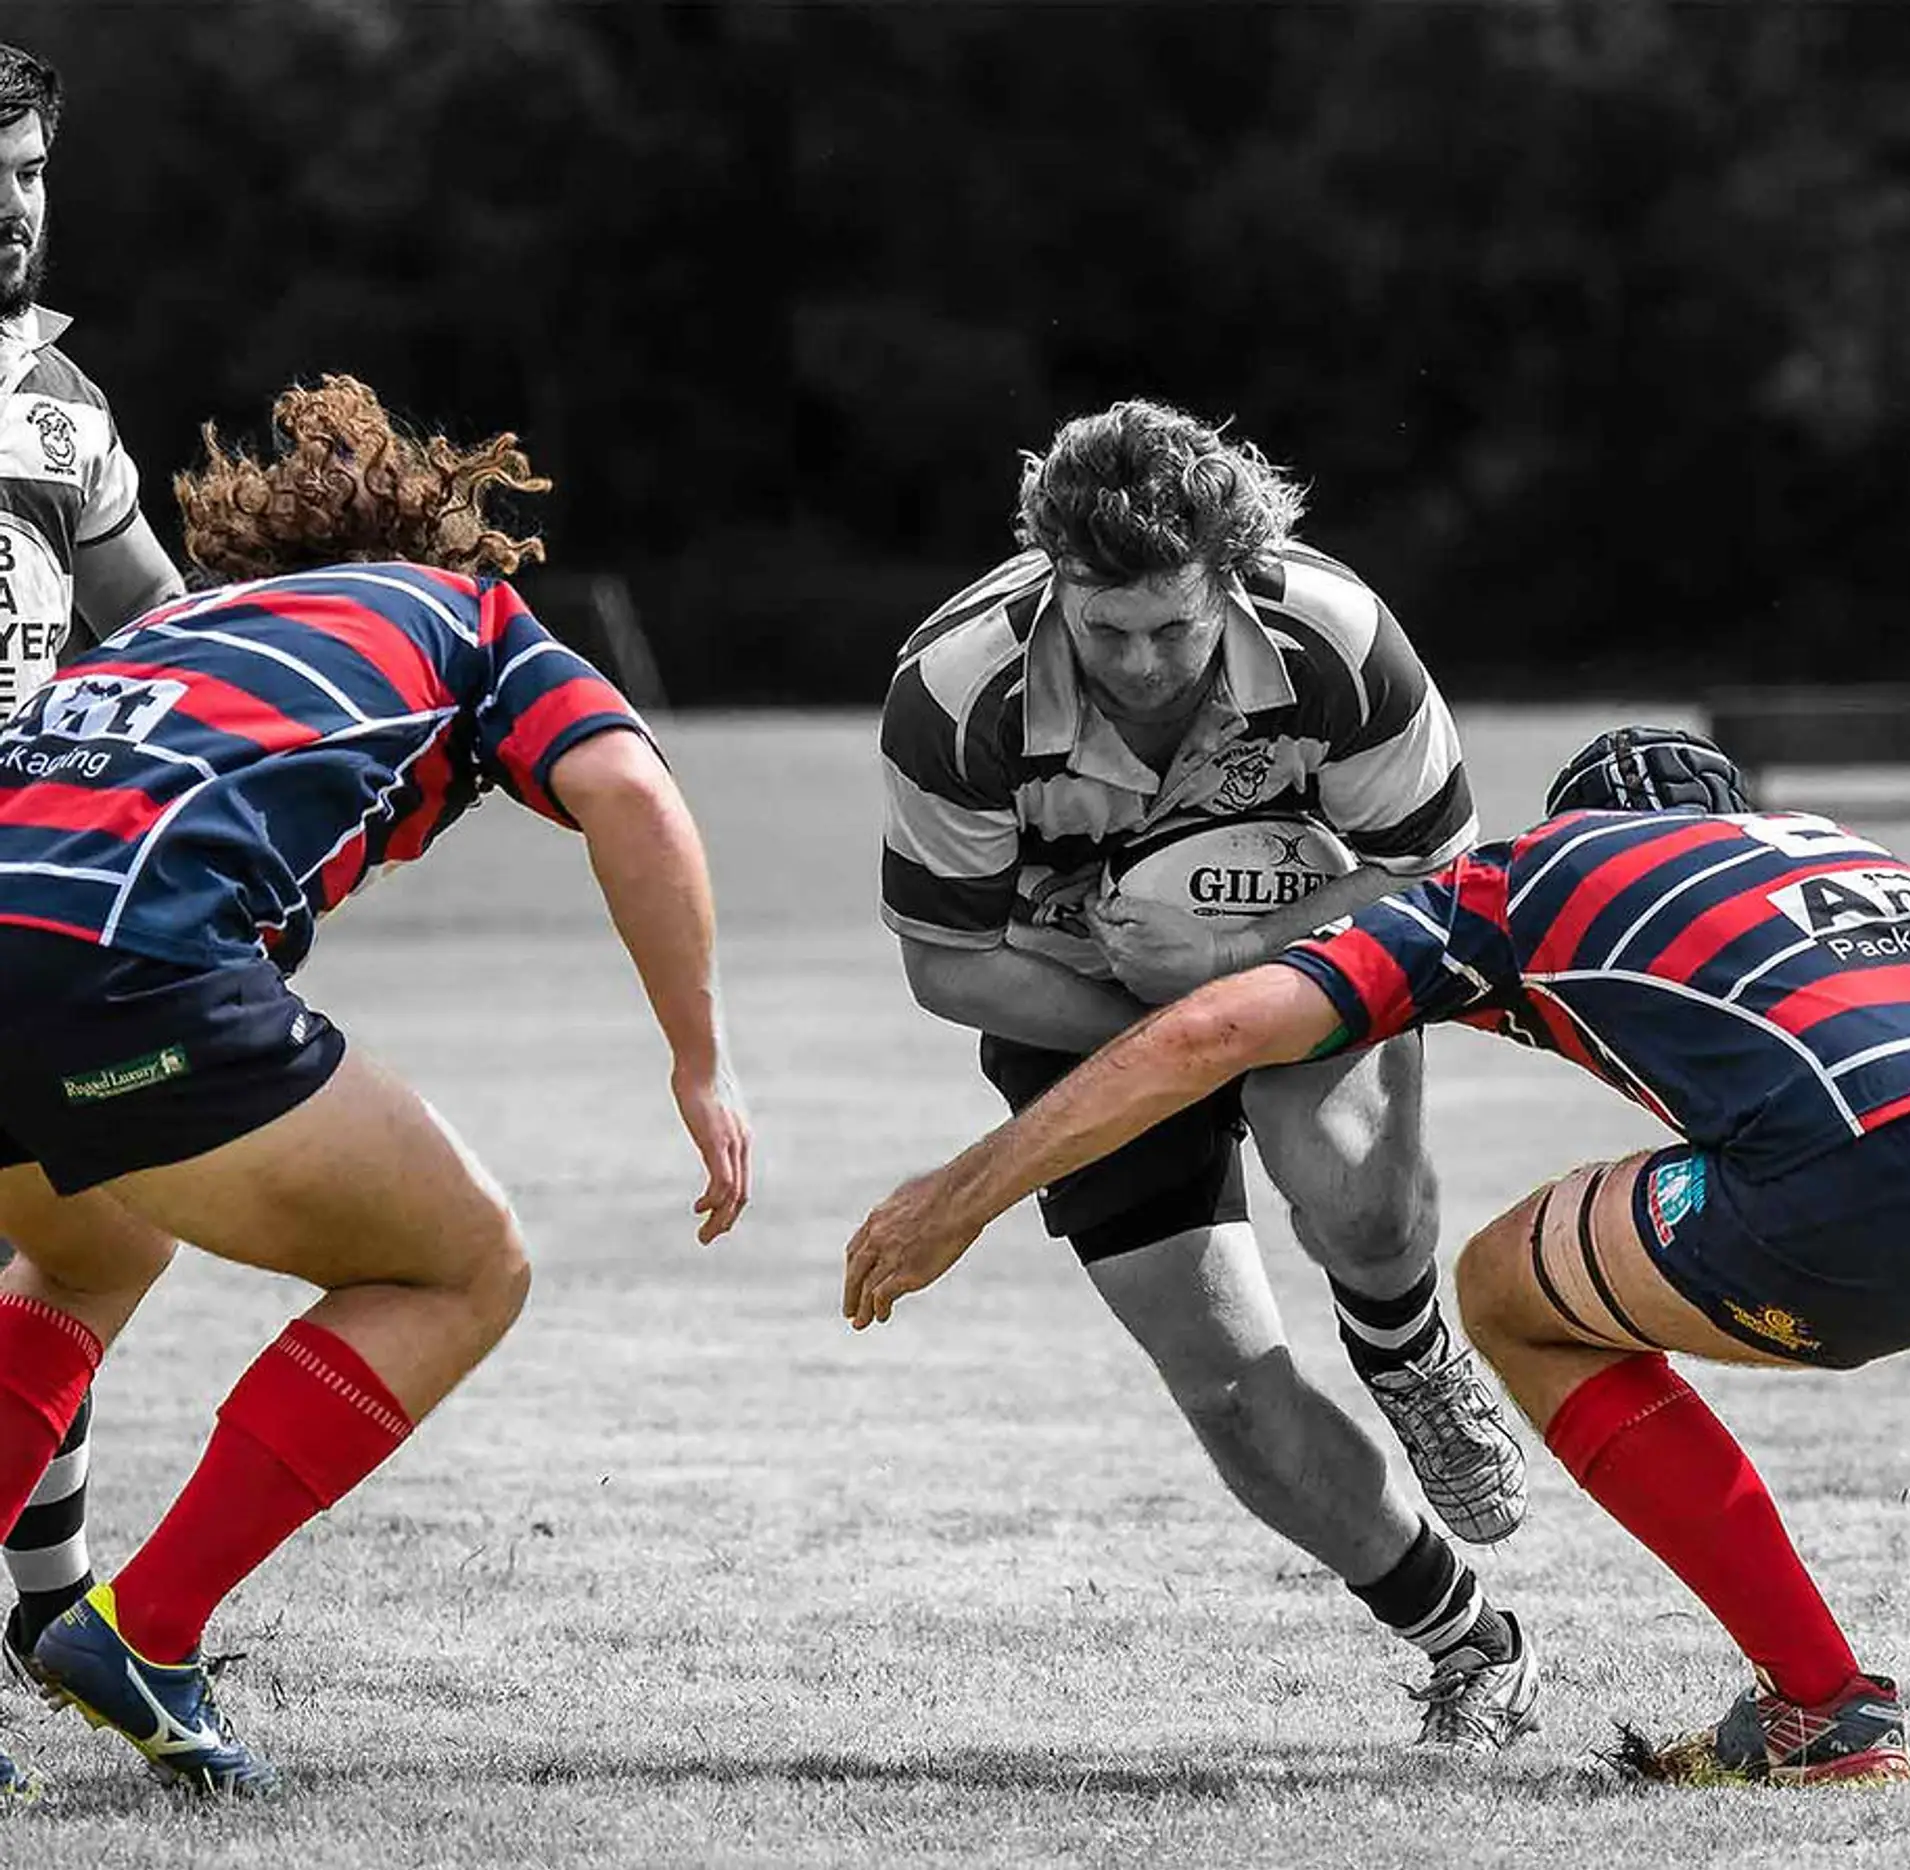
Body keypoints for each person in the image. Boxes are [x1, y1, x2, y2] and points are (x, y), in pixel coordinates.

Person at [846, 725, 1910, 1787]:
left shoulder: (1533, 875)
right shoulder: (1836, 851)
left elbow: (1213, 1033)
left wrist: (960, 1196)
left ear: (1574, 821)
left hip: (1886, 1167)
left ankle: (1819, 1705)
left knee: (1507, 1293)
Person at [0, 373, 750, 1797]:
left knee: (92, 1240)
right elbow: (632, 791)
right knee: (465, 1265)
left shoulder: (167, 621)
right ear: (442, 545)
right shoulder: (462, 618)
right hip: (123, 963)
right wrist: (700, 1060)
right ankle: (142, 1630)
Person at [874, 400, 1536, 1749]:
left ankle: (1407, 1353)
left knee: (1346, 1184)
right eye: (1103, 629)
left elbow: (1441, 884)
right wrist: (1156, 1019)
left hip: (1302, 949)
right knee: (1230, 1393)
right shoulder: (957, 691)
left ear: (1230, 579)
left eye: (1173, 628)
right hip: (1071, 1006)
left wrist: (1233, 961)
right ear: (1052, 579)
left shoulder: (1339, 642)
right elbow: (947, 963)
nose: (1140, 662)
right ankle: (1474, 1641)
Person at [0, 42, 188, 1785]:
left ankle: (50, 1605)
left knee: (78, 1233)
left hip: (35, 884)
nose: (11, 203)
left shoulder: (58, 399)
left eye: (34, 167)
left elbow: (149, 615)